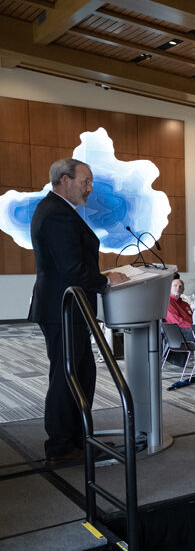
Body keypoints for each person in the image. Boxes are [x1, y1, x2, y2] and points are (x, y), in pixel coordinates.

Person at [29, 158, 129, 463]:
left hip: (71, 307)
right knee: (67, 376)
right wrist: (104, 279)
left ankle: (77, 439)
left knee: (80, 374)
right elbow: (72, 268)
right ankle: (61, 447)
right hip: (63, 307)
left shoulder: (58, 210)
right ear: (64, 180)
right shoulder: (57, 214)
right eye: (85, 181)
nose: (89, 188)